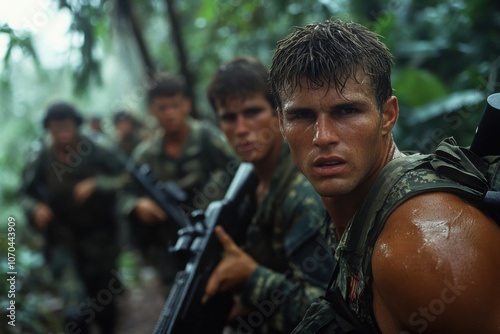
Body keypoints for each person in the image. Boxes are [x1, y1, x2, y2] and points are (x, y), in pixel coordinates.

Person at [269, 19, 500, 333]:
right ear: (282, 123)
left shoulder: (420, 249)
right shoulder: (358, 209)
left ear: (387, 116)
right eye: (302, 115)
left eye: (347, 111)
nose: (322, 136)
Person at [204, 56, 335, 334]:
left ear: (278, 115)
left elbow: (327, 314)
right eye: (229, 117)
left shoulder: (302, 193)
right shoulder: (246, 183)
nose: (241, 129)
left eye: (252, 112)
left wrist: (250, 278)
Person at [117, 73, 237, 292]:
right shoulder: (145, 155)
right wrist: (137, 205)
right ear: (151, 111)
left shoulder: (207, 137)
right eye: (162, 108)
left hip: (216, 235)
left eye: (175, 105)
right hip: (170, 247)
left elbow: (238, 171)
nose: (170, 113)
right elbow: (123, 194)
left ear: (187, 105)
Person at [19, 102, 127, 334]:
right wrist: (35, 208)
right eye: (56, 128)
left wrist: (97, 184)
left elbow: (126, 176)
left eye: (67, 126)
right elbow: (24, 194)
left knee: (104, 300)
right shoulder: (40, 158)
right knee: (75, 310)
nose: (62, 133)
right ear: (48, 129)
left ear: (77, 125)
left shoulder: (96, 148)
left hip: (100, 238)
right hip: (62, 239)